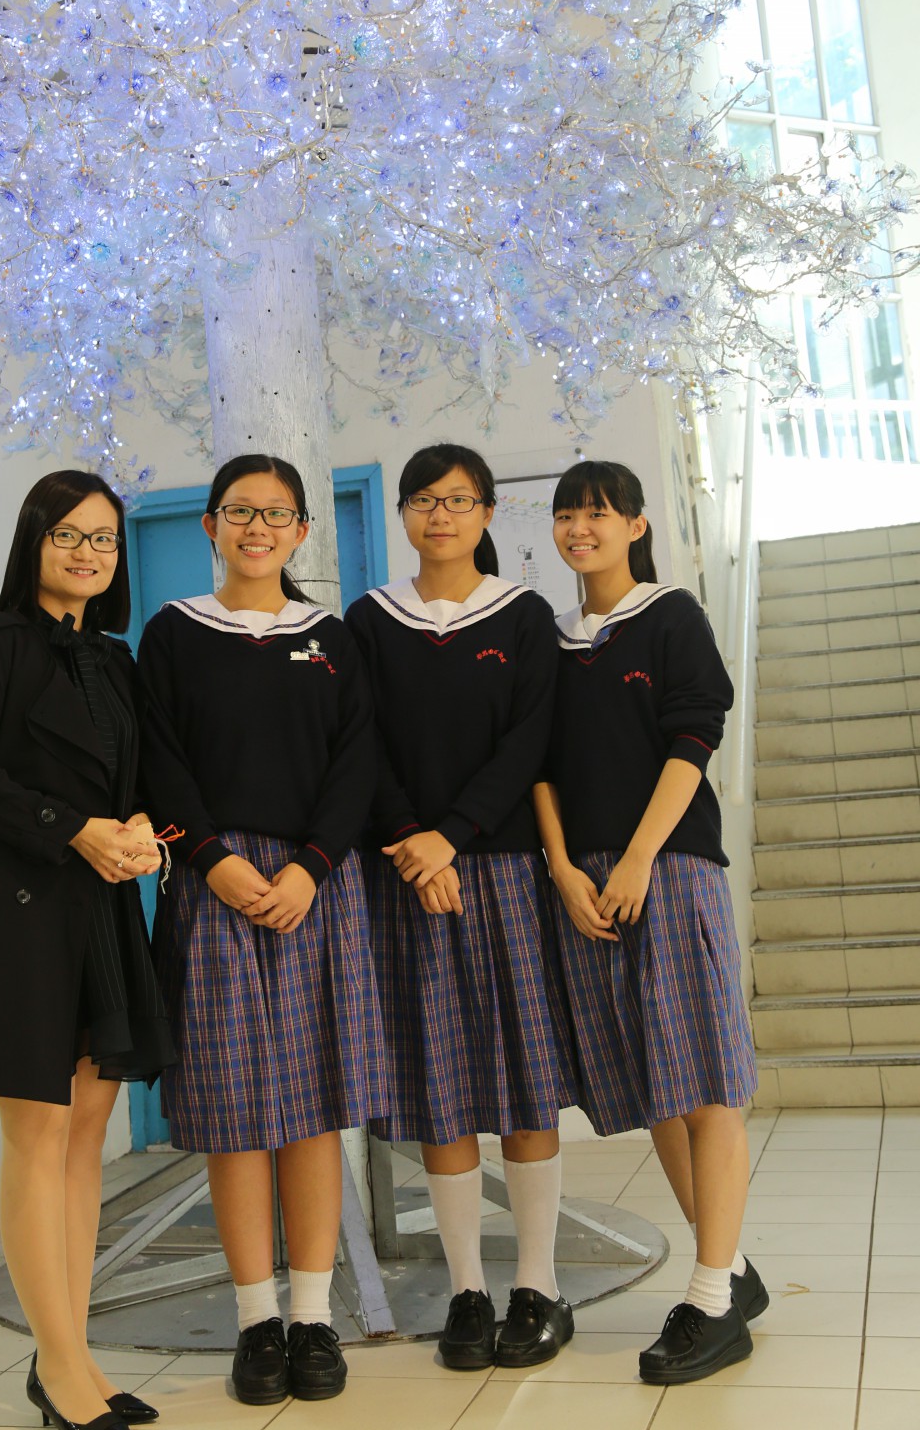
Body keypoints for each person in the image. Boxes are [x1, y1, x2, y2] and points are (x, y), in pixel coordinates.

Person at [0, 470, 175, 1430]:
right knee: (37, 1138)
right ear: (33, 541)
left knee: (84, 1145)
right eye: (67, 533)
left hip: (103, 912)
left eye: (103, 538)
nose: (86, 552)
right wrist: (70, 829)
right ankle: (64, 1371)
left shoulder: (115, 660)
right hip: (17, 909)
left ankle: (68, 1358)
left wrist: (142, 828)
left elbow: (136, 781)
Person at [137, 454, 385, 1408]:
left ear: (301, 531)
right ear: (210, 525)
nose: (257, 529)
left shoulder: (331, 637)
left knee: (314, 1106)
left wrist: (311, 868)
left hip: (316, 888)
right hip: (216, 888)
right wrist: (214, 861)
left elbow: (358, 759)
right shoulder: (173, 634)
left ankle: (314, 1317)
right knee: (236, 1114)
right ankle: (256, 1322)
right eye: (240, 512)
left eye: (277, 514)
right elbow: (159, 759)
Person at [345, 443, 577, 1372]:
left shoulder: (523, 616)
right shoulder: (369, 620)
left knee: (522, 1080)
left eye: (457, 499)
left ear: (486, 512)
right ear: (402, 513)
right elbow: (359, 744)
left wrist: (453, 835)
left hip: (504, 868)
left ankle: (539, 1286)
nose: (439, 515)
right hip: (407, 875)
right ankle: (469, 1291)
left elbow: (531, 742)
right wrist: (414, 839)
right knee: (440, 1089)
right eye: (422, 500)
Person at [534, 459, 764, 1386]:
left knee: (705, 1084)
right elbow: (537, 766)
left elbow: (693, 737)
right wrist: (561, 868)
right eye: (566, 514)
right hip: (583, 884)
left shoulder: (672, 617)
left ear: (635, 525)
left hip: (665, 868)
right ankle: (729, 1270)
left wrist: (635, 859)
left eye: (598, 513)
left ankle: (711, 1301)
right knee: (656, 1087)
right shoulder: (551, 640)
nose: (579, 528)